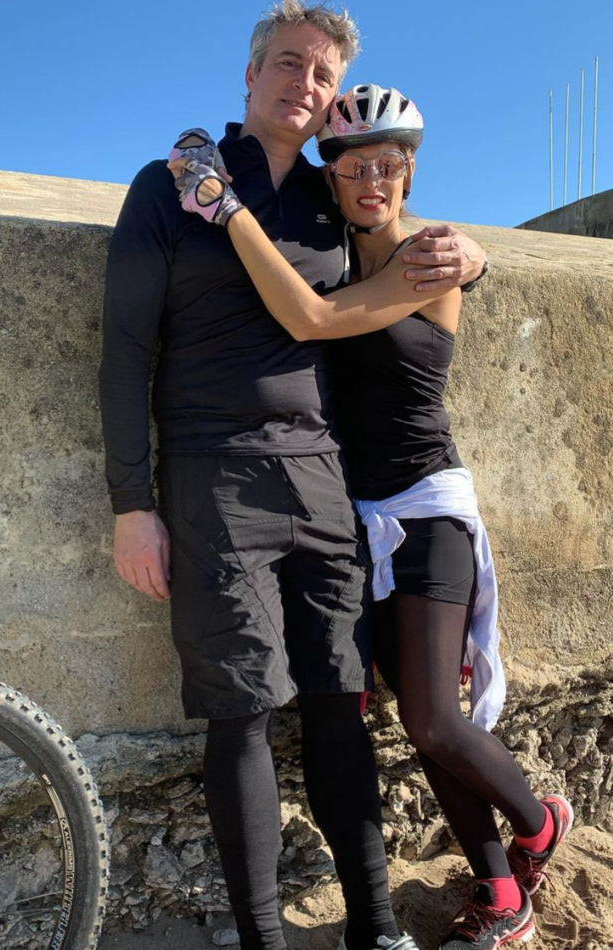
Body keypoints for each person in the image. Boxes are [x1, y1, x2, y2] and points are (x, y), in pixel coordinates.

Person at [99, 4, 488, 950]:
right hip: (214, 475)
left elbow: (406, 248)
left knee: (338, 707)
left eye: (321, 75)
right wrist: (132, 504)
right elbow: (123, 352)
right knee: (239, 711)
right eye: (286, 63)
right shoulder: (171, 186)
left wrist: (473, 258)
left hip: (321, 480)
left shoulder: (330, 198)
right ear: (250, 74)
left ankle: (376, 928)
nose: (302, 84)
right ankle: (263, 939)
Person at [168, 82, 574, 950]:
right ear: (331, 175)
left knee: (431, 718)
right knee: (420, 722)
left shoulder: (429, 258)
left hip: (425, 509)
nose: (371, 181)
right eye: (353, 167)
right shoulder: (331, 249)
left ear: (410, 171)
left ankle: (539, 823)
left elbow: (309, 317)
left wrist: (225, 209)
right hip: (352, 517)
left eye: (388, 165)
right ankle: (501, 889)